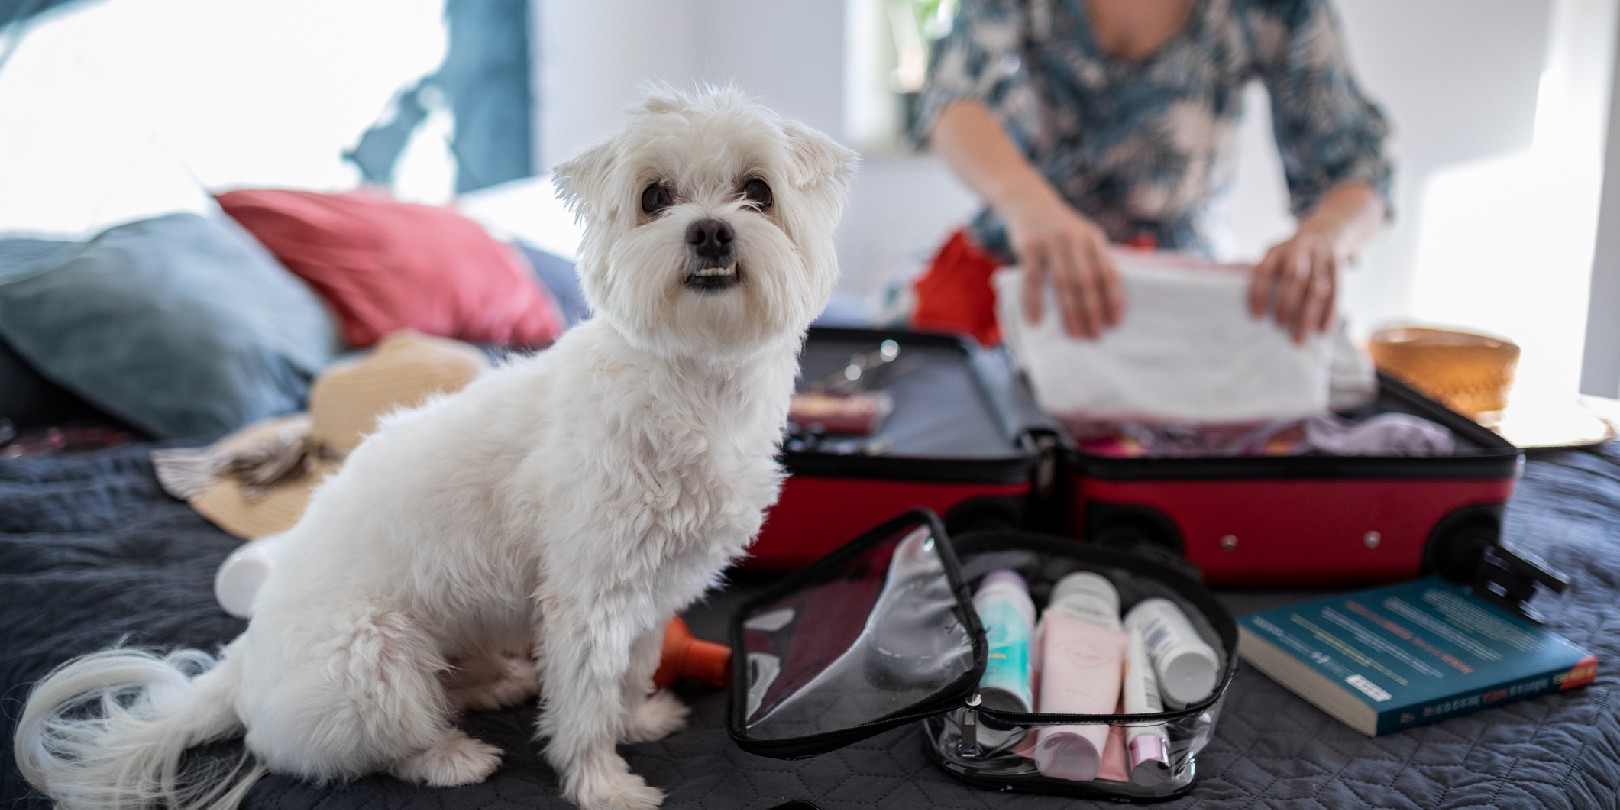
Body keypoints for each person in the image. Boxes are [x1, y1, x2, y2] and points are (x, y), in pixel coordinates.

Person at [909, 0, 1393, 346]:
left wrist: (1324, 239)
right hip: (1020, 274)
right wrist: (1028, 204)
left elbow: (1358, 165)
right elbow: (953, 98)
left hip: (1179, 303)